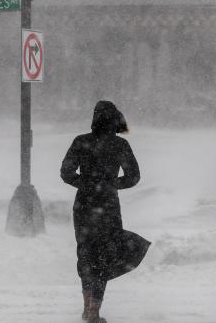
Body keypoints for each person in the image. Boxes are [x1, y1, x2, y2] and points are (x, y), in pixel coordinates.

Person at [61, 101, 151, 323]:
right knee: (104, 255)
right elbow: (134, 176)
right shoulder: (120, 145)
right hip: (108, 206)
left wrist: (86, 184)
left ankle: (87, 307)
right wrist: (111, 185)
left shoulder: (81, 142)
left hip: (83, 206)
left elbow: (66, 172)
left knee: (86, 254)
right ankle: (93, 310)